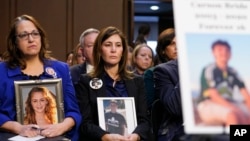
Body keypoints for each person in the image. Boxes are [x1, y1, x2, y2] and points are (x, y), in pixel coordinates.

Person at [0, 14, 81, 140]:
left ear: (41, 37)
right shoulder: (2, 71)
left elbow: (74, 111)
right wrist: (17, 127)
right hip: (13, 136)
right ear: (14, 42)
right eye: (23, 35)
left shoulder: (61, 69)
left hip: (55, 137)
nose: (31, 39)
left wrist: (62, 126)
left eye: (35, 33)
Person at [75, 26, 150, 141]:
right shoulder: (86, 81)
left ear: (123, 51)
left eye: (118, 45)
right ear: (100, 50)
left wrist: (136, 136)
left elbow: (144, 121)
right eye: (108, 45)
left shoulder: (137, 81)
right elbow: (85, 123)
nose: (113, 50)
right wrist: (105, 137)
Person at [197, 40, 250, 126]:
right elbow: (214, 96)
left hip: (230, 102)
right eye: (220, 50)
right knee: (232, 115)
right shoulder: (209, 69)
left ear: (230, 53)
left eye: (227, 50)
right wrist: (238, 111)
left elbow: (246, 96)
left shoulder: (233, 72)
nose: (224, 52)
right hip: (208, 103)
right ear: (213, 52)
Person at [144, 28, 176, 111]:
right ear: (163, 50)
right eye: (172, 44)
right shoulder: (152, 73)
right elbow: (151, 106)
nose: (177, 47)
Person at [154, 59, 184, 141]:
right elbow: (175, 108)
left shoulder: (216, 69)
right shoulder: (164, 70)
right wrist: (188, 69)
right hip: (177, 131)